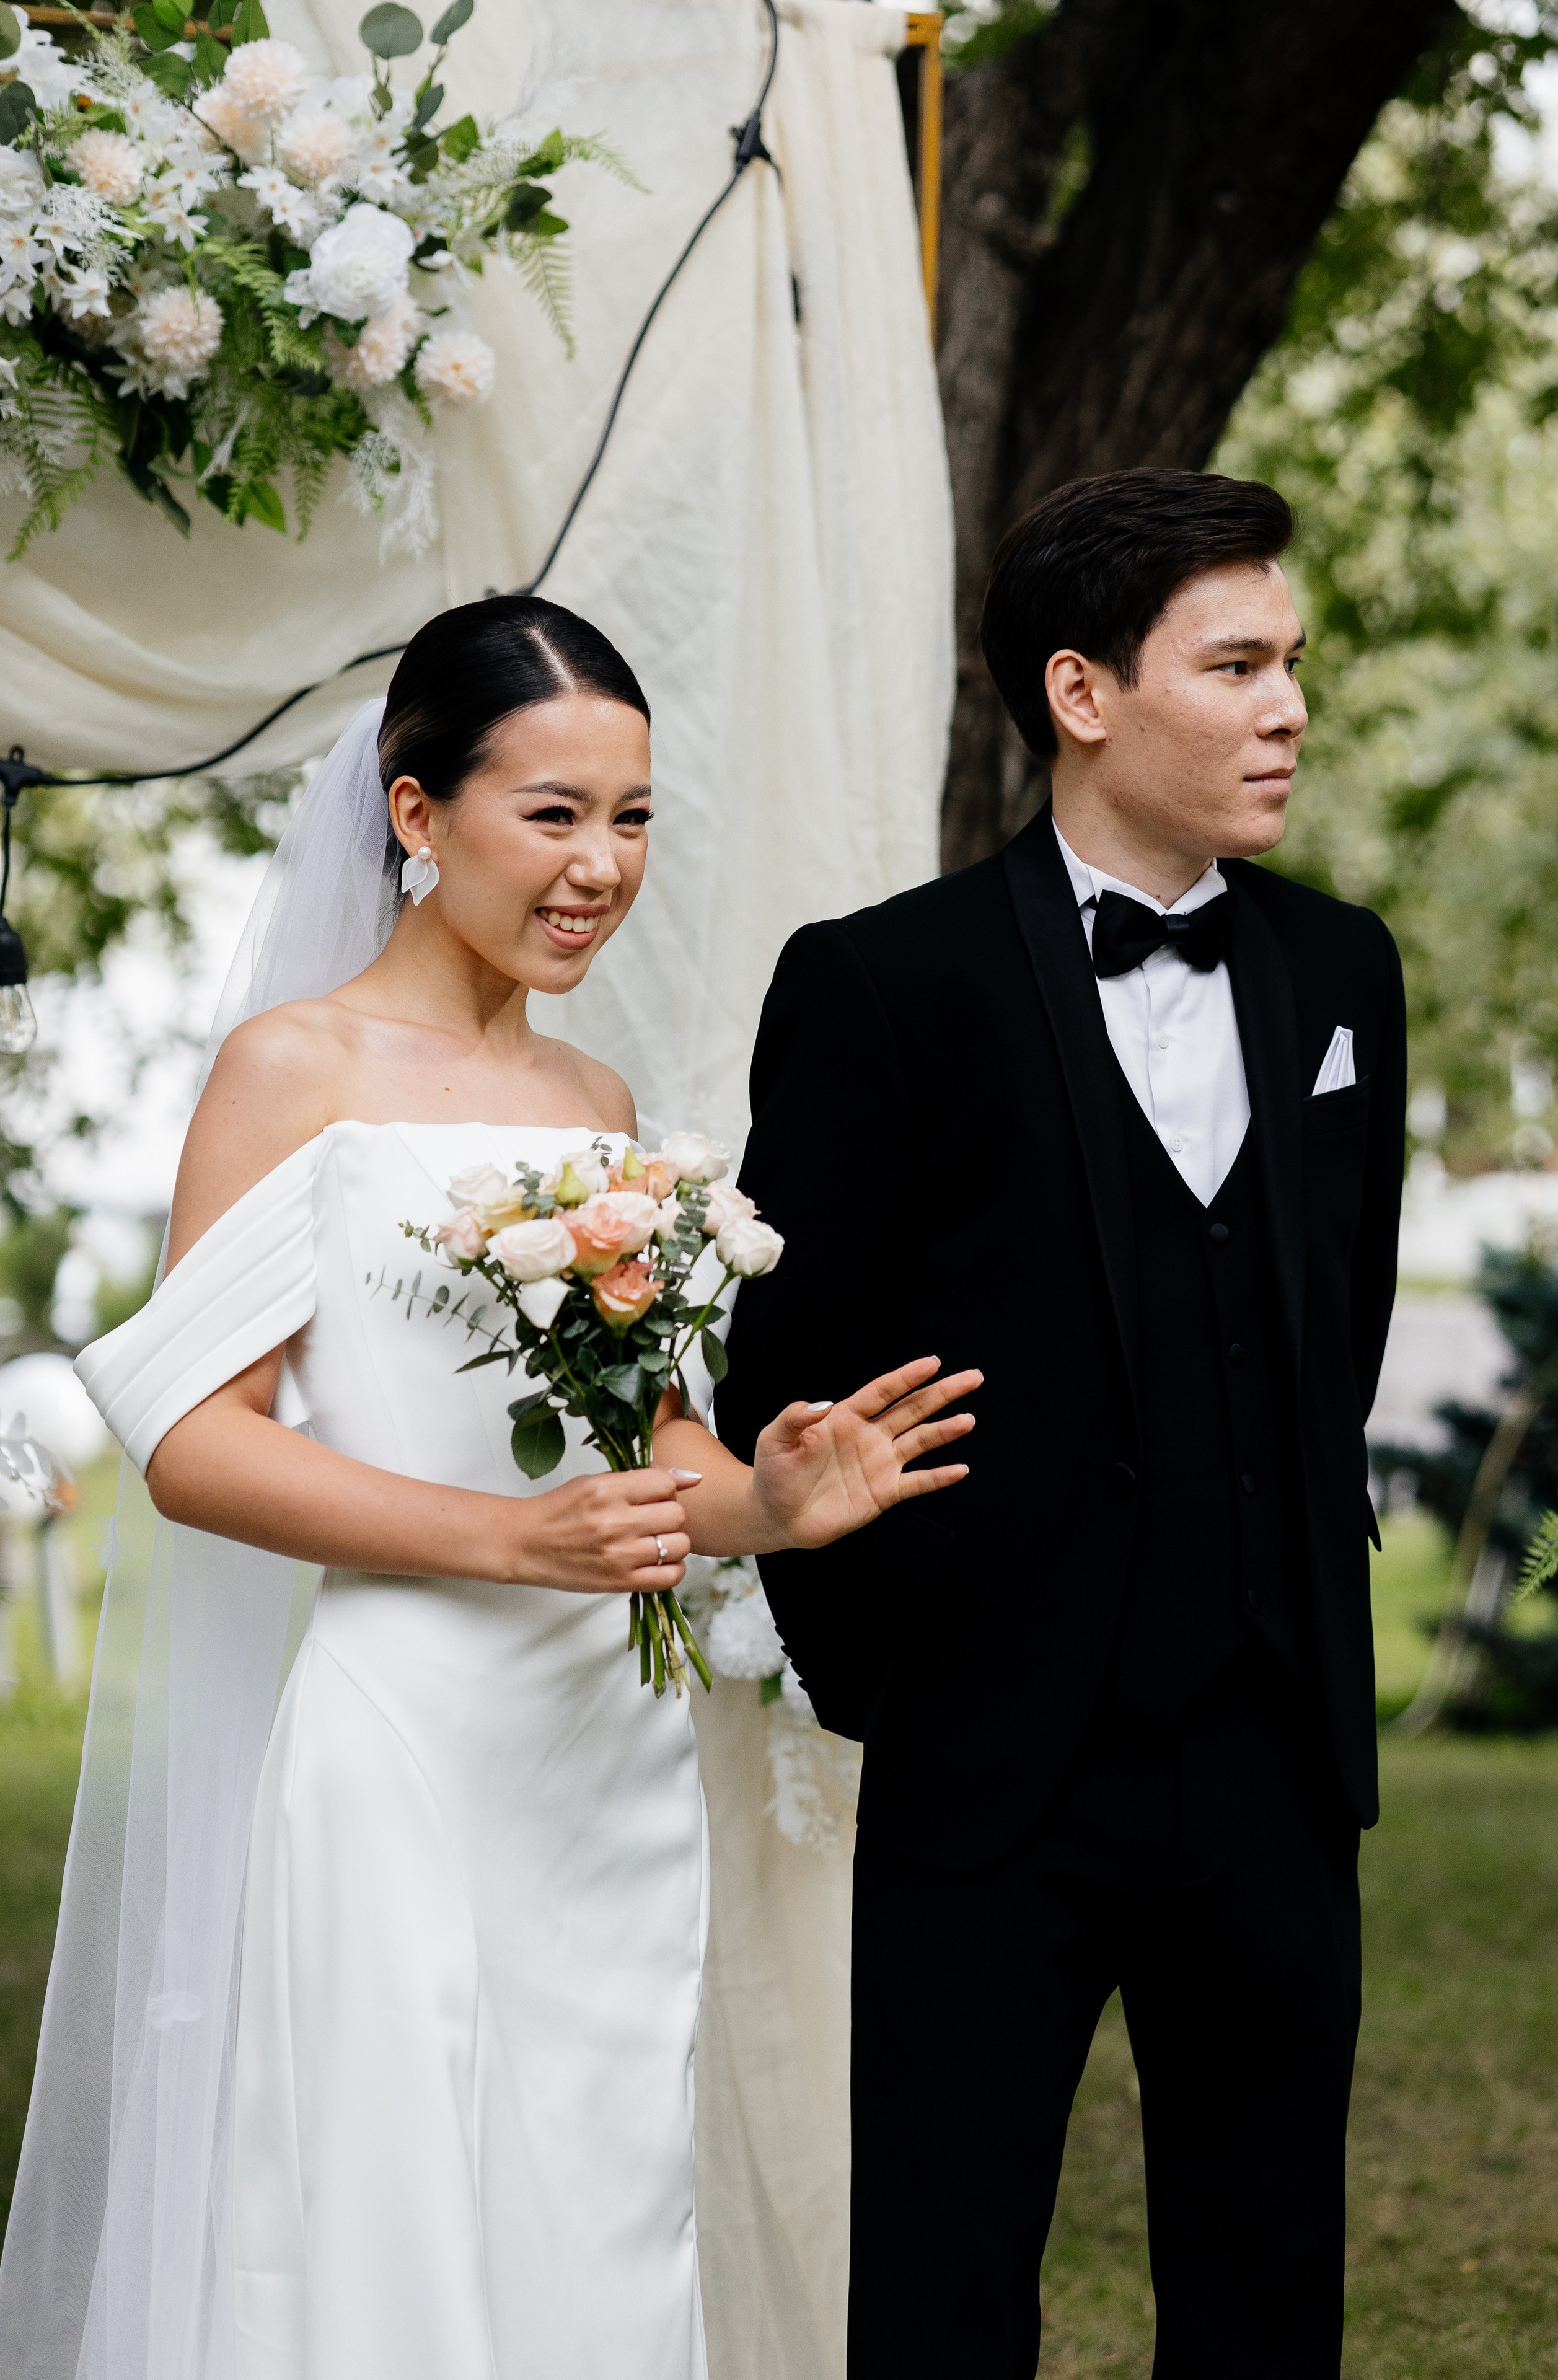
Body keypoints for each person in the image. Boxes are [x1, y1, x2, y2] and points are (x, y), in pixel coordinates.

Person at [0, 595, 979, 2380]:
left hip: (606, 1755)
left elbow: (649, 1452)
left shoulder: (596, 1095)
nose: (602, 865)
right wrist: (506, 1540)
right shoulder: (293, 1072)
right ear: (416, 811)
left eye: (634, 817)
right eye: (554, 814)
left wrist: (767, 1503)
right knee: (390, 2207)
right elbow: (192, 1440)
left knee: (598, 2204)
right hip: (406, 1736)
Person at [716, 469, 1407, 2378]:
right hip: (995, 1758)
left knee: (1271, 2280)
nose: (1288, 710)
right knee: (942, 2293)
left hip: (1274, 1748)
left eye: (1292, 665)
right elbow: (786, 1396)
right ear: (1083, 694)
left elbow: (1335, 1324)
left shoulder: (1343, 970)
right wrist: (911, 1679)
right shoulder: (883, 983)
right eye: (1238, 666)